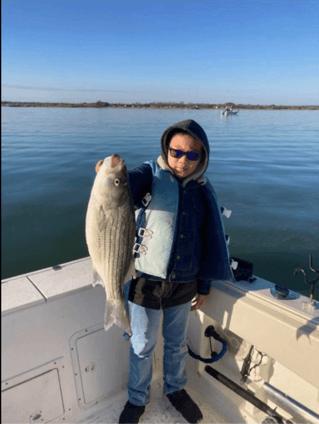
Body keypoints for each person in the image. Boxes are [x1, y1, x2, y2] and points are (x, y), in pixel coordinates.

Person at [97, 119, 233, 423]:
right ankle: (137, 399)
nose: (182, 161)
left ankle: (175, 390)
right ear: (166, 150)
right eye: (176, 152)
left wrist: (204, 285)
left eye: (191, 155)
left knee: (175, 344)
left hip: (185, 284)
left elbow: (208, 240)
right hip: (145, 281)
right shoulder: (150, 172)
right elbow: (125, 187)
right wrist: (107, 175)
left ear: (202, 157)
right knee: (142, 345)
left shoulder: (202, 189)